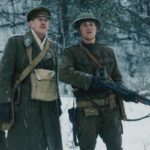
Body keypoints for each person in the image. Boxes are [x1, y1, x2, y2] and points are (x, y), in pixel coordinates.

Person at [60, 12, 125, 150]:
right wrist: (90, 81)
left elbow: (117, 77)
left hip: (111, 111)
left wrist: (123, 91)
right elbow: (64, 73)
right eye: (84, 25)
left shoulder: (108, 51)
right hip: (87, 113)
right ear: (79, 29)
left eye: (92, 24)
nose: (89, 27)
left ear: (96, 28)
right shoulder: (71, 52)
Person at [0, 6, 63, 150]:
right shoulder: (16, 43)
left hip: (48, 105)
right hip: (23, 104)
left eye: (46, 20)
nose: (43, 23)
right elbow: (4, 75)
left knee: (48, 143)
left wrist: (58, 101)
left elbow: (54, 77)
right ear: (31, 23)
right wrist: (3, 102)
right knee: (22, 143)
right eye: (39, 20)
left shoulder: (53, 46)